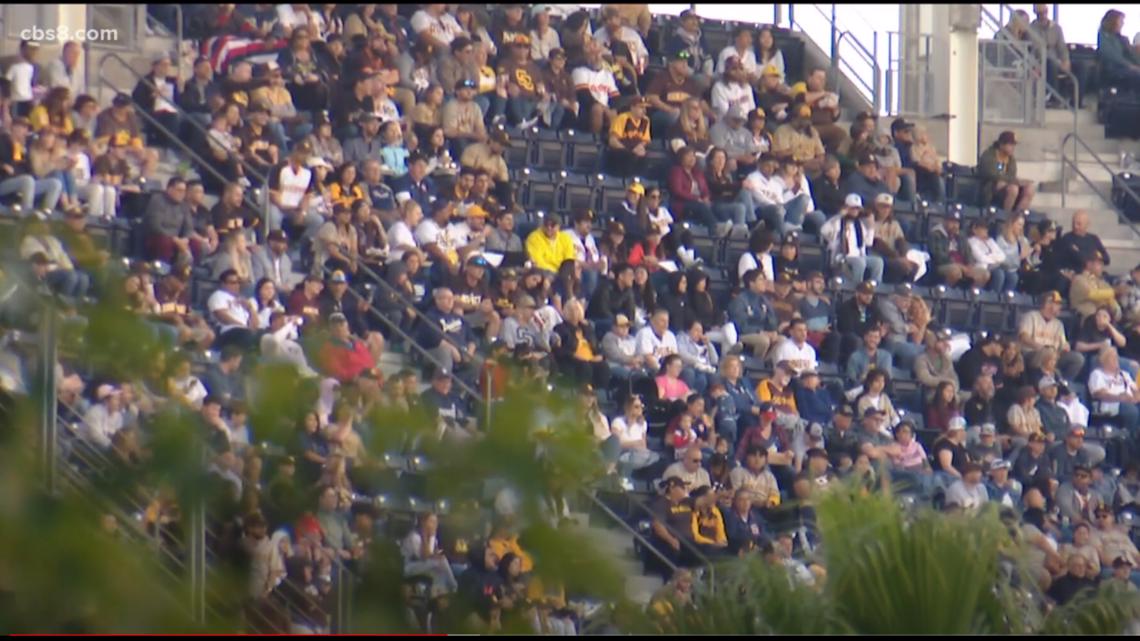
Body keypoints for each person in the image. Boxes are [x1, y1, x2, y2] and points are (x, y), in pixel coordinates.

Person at [1020, 291, 1085, 381]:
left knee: (1077, 358)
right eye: (1050, 302)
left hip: (1053, 356)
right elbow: (1024, 337)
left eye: (1057, 304)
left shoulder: (1058, 324)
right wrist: (1042, 349)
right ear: (1043, 304)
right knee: (1045, 355)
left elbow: (1063, 345)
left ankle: (1061, 382)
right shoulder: (1031, 316)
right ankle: (1040, 382)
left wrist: (1065, 347)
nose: (1053, 306)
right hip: (1033, 353)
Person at [820, 194, 883, 284]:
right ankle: (856, 286)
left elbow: (868, 243)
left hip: (859, 255)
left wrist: (871, 227)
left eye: (857, 208)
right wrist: (839, 216)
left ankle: (875, 287)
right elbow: (823, 231)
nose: (855, 211)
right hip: (841, 256)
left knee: (878, 262)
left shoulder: (859, 224)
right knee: (860, 263)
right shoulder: (838, 222)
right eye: (853, 208)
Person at [978, 131, 1035, 212]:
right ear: (1001, 144)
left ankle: (1018, 215)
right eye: (1010, 145)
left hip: (1007, 186)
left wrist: (1018, 182)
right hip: (990, 188)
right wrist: (1011, 181)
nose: (1013, 148)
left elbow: (1012, 175)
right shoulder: (989, 155)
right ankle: (1005, 215)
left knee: (1030, 188)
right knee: (1013, 189)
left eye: (1014, 145)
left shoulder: (1011, 159)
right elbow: (991, 174)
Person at [1097, 9, 1140, 88]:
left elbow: (1131, 56)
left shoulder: (1121, 39)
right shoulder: (1103, 36)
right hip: (1113, 69)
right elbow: (1111, 55)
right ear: (1113, 21)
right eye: (1121, 21)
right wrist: (1129, 65)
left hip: (1125, 68)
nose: (1122, 23)